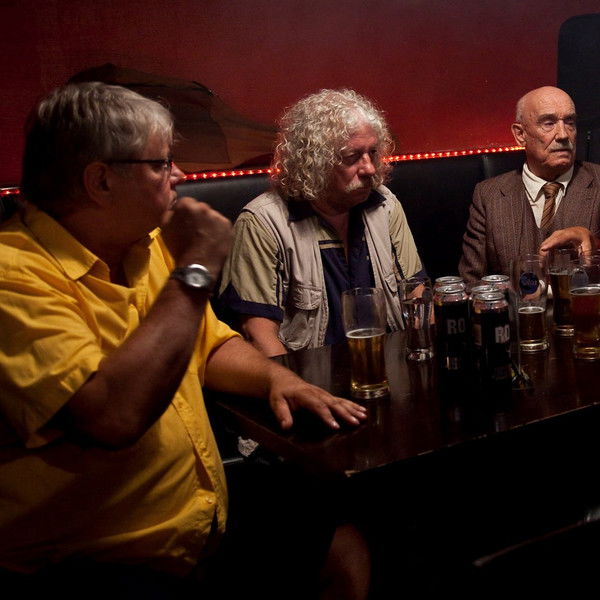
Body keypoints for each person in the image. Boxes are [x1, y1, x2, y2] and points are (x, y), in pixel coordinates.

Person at [0, 82, 370, 599]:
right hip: (90, 559)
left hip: (198, 519)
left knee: (340, 543)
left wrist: (277, 379)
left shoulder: (145, 241)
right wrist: (196, 269)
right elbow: (111, 415)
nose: (178, 175)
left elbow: (210, 344)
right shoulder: (13, 275)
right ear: (101, 180)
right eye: (161, 163)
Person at [218, 89, 425, 357]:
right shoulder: (262, 223)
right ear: (315, 163)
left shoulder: (386, 206)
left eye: (372, 153)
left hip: (385, 368)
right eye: (352, 157)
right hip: (307, 377)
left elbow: (417, 296)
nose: (370, 168)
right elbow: (259, 337)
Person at [459, 85, 600, 285]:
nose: (563, 134)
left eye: (570, 122)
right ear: (520, 134)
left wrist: (594, 244)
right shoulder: (488, 196)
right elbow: (472, 284)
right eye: (548, 123)